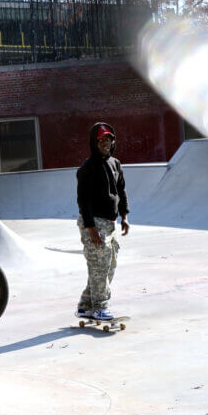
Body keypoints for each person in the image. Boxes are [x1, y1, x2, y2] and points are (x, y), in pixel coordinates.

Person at [75, 122, 130, 321]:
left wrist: (124, 216)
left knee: (109, 265)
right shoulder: (87, 168)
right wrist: (90, 228)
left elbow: (121, 191)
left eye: (109, 139)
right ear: (95, 143)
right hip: (94, 223)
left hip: (111, 223)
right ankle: (99, 307)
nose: (106, 142)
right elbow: (83, 200)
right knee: (98, 267)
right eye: (102, 140)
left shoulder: (116, 164)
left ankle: (85, 305)